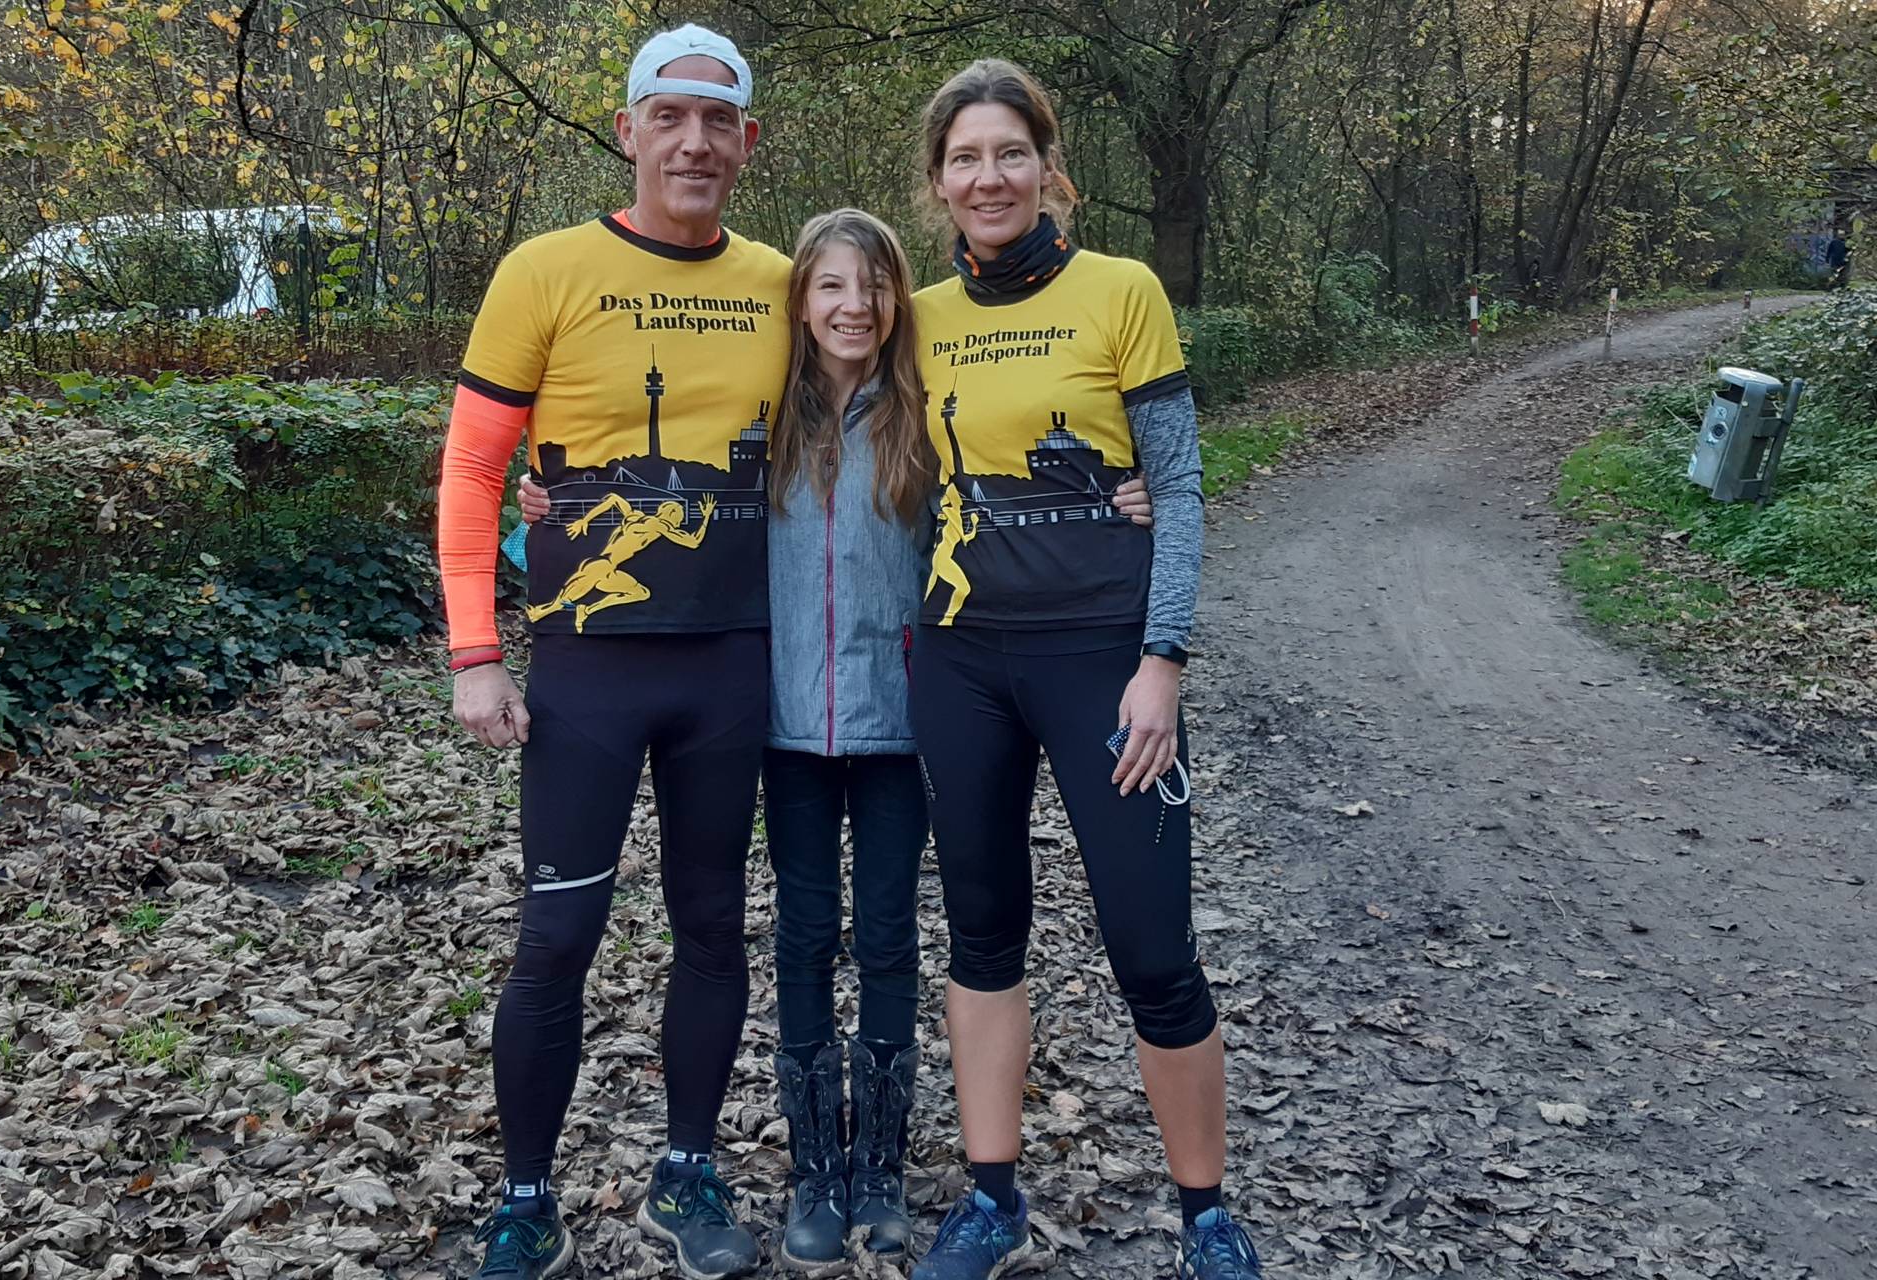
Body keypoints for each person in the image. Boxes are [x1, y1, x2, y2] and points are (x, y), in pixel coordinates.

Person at [518, 213, 1154, 1270]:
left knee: (894, 938)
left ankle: (881, 1174)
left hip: (904, 720)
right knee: (805, 938)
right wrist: (540, 502)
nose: (853, 306)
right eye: (830, 288)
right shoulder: (761, 421)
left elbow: (1013, 492)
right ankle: (816, 1168)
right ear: (800, 302)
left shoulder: (921, 418)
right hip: (784, 725)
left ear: (898, 300)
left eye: (873, 287)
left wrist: (1118, 498)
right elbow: (643, 501)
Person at [897, 59, 1262, 1280]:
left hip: (1106, 661)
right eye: (964, 159)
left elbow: (1183, 481)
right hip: (960, 658)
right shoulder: (918, 313)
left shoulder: (1123, 290)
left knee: (1154, 945)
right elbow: (814, 438)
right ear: (938, 184)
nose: (987, 177)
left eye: (1009, 154)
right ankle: (991, 1196)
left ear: (1050, 169)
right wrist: (566, 496)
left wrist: (1163, 660)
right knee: (983, 930)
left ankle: (1205, 1208)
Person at [436, 24, 787, 1280]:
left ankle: (687, 1169)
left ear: (748, 143)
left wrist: (1121, 493)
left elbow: (878, 428)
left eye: (718, 121)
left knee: (710, 926)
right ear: (628, 127)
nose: (694, 141)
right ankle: (525, 1194)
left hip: (732, 661)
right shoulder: (544, 269)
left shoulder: (783, 280)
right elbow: (477, 468)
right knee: (556, 937)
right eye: (669, 115)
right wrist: (478, 651)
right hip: (586, 666)